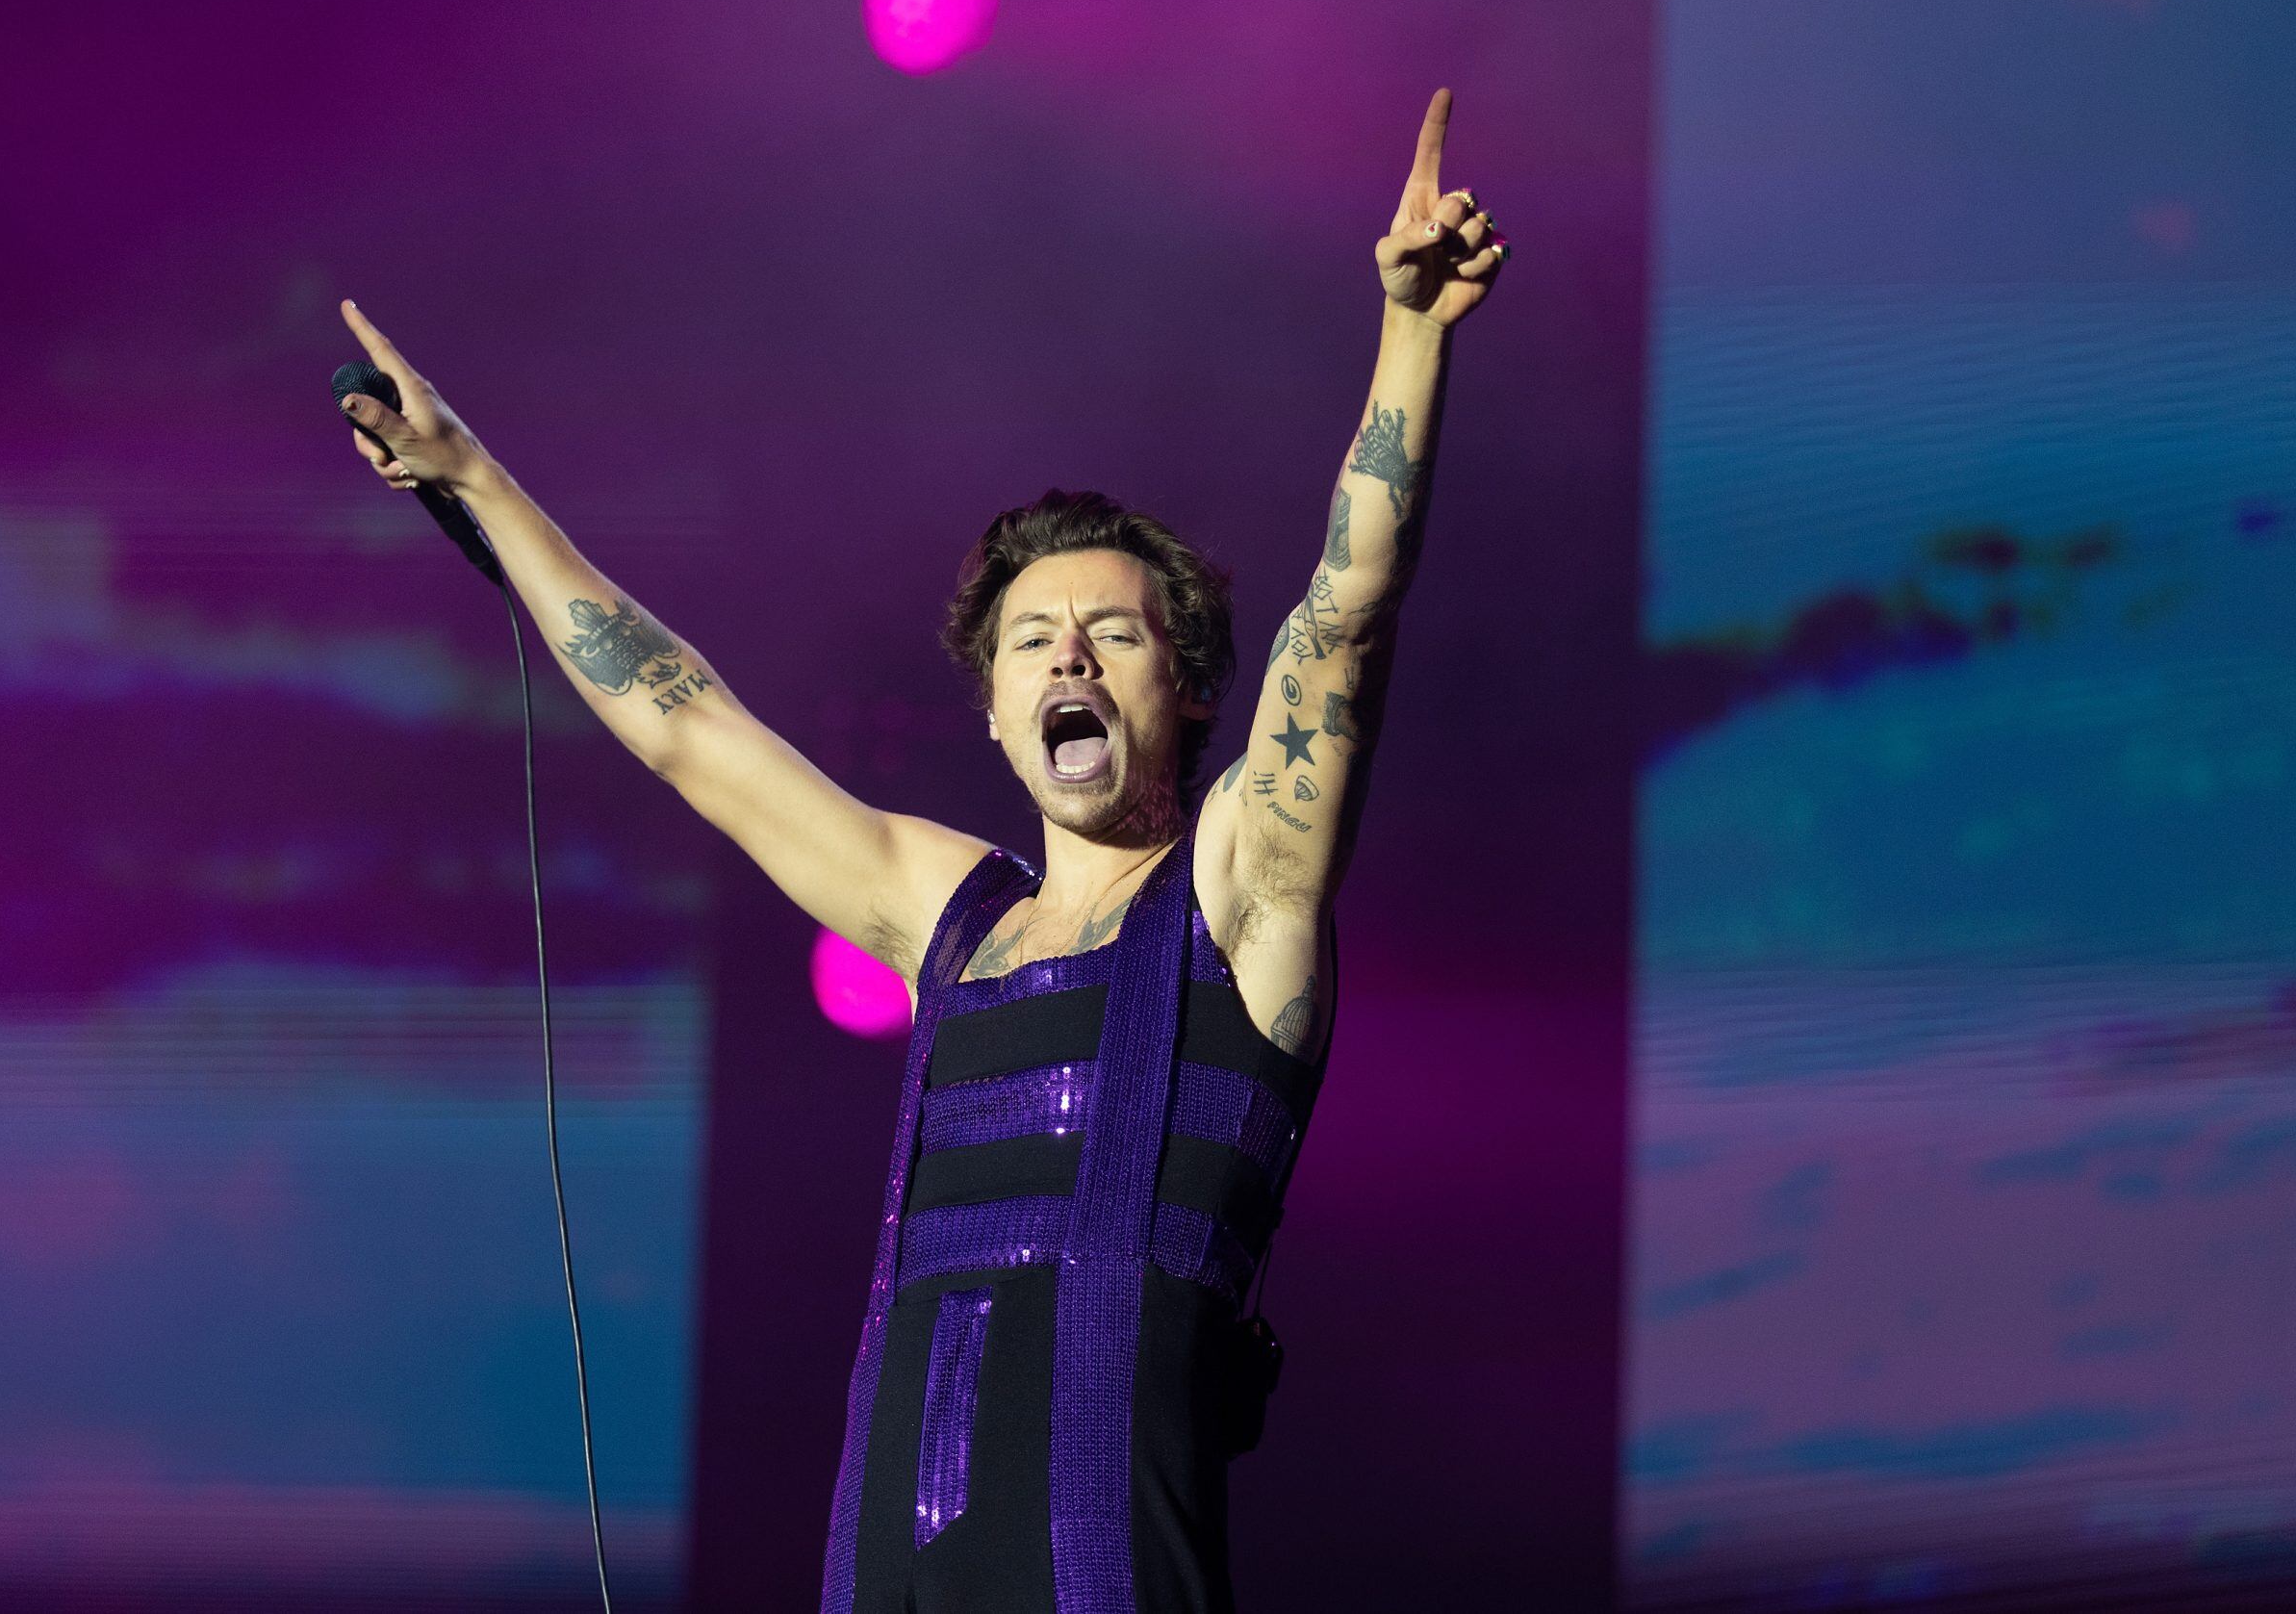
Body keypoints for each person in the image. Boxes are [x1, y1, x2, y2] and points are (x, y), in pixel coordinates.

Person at [337, 87, 1504, 1614]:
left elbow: (1342, 623)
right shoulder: (946, 914)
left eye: (1111, 634)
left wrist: (1410, 336)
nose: (1067, 655)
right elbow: (689, 726)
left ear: (1189, 689)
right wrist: (476, 480)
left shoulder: (1238, 895)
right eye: (1032, 640)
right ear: (999, 717)